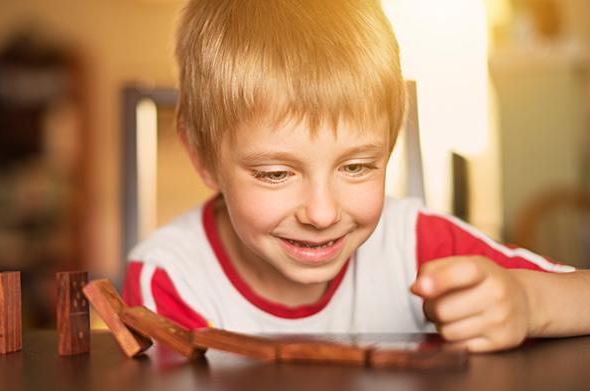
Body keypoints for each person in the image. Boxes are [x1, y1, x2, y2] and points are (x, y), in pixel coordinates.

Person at [122, 0, 590, 352]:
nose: (323, 214)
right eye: (276, 173)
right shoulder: (170, 281)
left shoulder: (414, 242)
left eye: (356, 167)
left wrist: (529, 303)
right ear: (203, 158)